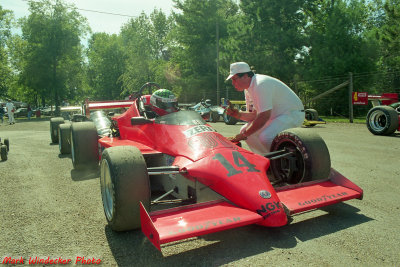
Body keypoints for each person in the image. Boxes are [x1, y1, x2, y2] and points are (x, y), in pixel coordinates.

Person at [225, 62, 304, 155]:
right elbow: (254, 116)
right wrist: (238, 115)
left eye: (234, 79)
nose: (233, 83)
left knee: (265, 137)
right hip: (277, 116)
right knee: (246, 132)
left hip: (292, 114)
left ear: (246, 76)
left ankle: (282, 163)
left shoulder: (261, 84)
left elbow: (264, 116)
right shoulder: (248, 89)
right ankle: (266, 160)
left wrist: (243, 135)